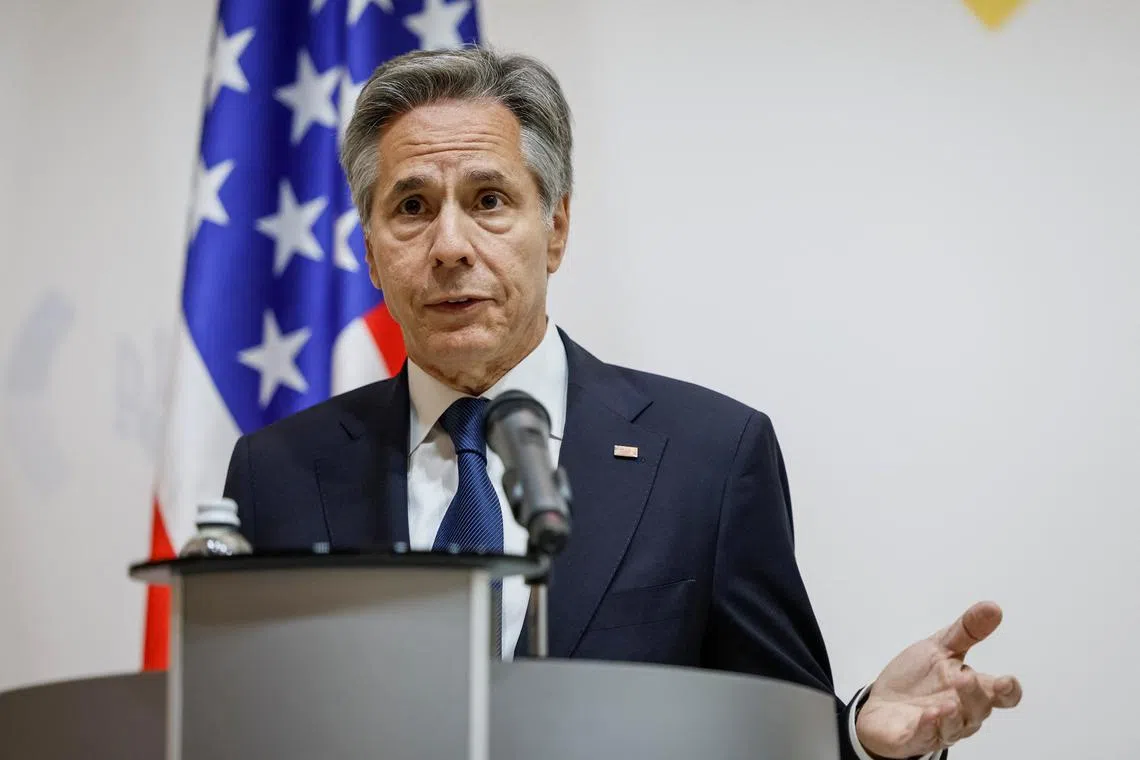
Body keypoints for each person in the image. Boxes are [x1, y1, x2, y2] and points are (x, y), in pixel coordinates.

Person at [222, 46, 1022, 760]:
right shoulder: (278, 471)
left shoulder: (710, 456)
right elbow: (233, 727)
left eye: (490, 199)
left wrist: (858, 740)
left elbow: (774, 730)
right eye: (411, 208)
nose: (451, 246)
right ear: (369, 253)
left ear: (557, 228)